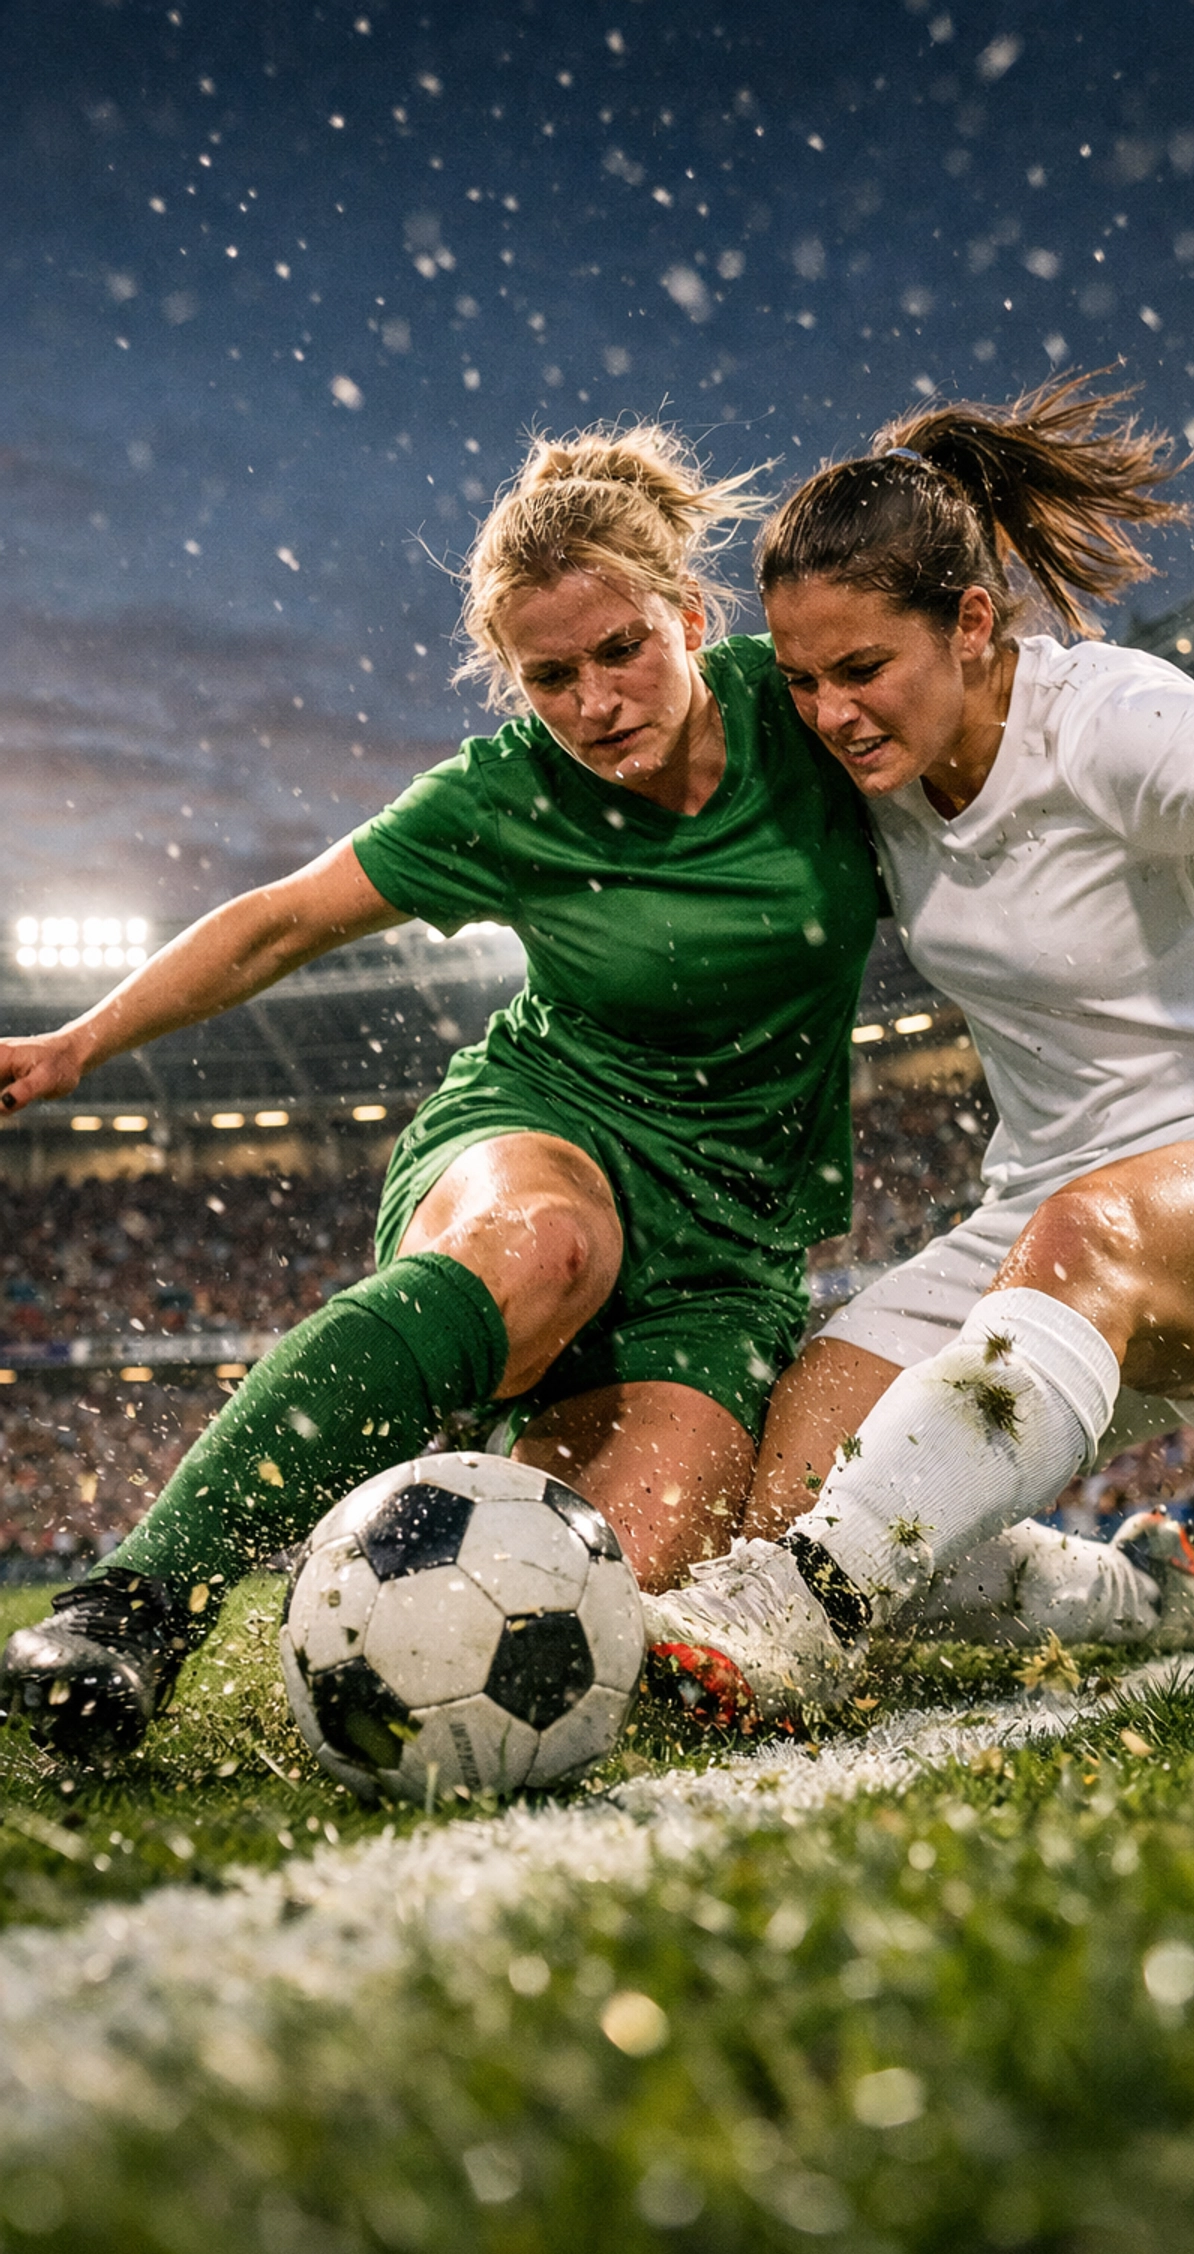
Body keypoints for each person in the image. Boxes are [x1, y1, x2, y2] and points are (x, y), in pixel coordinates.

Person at [644, 375, 1194, 1729]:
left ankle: (806, 1615)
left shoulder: (1100, 716)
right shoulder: (867, 770)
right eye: (806, 677)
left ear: (975, 625)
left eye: (865, 669)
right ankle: (1132, 1600)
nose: (830, 712)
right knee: (790, 1489)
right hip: (1041, 1213)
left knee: (1079, 1243)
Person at [0, 425, 881, 1761]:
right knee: (546, 1246)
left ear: (688, 618)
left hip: (730, 1255)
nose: (594, 702)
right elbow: (283, 923)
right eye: (551, 678)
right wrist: (81, 1045)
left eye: (621, 652)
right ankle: (137, 1602)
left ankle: (393, 1468)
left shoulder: (808, 715)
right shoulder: (505, 794)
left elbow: (983, 731)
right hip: (549, 1130)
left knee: (614, 1602)